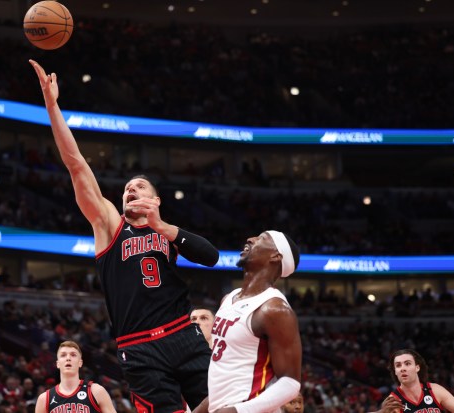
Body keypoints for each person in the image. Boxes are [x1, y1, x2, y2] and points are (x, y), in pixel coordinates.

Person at [30, 60, 219, 413]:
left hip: (183, 334)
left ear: (156, 200)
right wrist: (53, 106)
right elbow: (76, 164)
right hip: (139, 347)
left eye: (140, 186)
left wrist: (163, 227)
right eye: (128, 188)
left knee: (224, 405)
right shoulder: (109, 226)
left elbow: (211, 256)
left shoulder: (168, 233)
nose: (131, 188)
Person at [193, 230, 301, 413]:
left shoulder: (274, 309)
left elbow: (290, 383)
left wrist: (237, 411)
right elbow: (229, 379)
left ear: (276, 256)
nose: (250, 239)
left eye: (262, 238)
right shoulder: (229, 298)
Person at [381, 349, 454, 413]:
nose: (402, 368)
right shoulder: (393, 401)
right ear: (395, 372)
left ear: (417, 367)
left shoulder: (434, 390)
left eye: (407, 364)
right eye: (398, 365)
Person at [34, 340, 116, 413]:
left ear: (80, 363)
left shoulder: (96, 391)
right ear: (57, 364)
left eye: (73, 355)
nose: (68, 358)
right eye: (63, 355)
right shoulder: (44, 399)